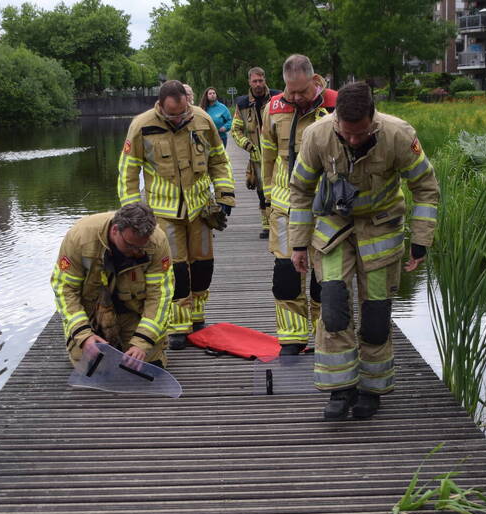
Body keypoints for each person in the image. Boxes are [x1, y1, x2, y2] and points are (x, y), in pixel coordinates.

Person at [288, 81, 440, 420]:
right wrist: (297, 243)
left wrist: (421, 240)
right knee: (333, 308)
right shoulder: (317, 135)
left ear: (374, 118)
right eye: (347, 134)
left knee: (375, 316)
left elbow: (426, 188)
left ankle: (372, 390)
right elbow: (299, 190)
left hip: (380, 228)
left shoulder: (399, 135)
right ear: (337, 120)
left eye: (361, 134)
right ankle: (341, 390)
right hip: (332, 229)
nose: (354, 140)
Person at [117, 80, 235, 350]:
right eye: (173, 114)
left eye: (183, 112)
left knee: (203, 265)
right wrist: (133, 214)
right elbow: (128, 172)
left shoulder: (202, 120)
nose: (179, 118)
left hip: (200, 209)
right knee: (175, 268)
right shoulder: (141, 126)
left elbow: (219, 159)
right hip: (163, 212)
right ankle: (178, 325)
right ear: (161, 106)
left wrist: (225, 194)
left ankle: (198, 317)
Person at [260, 54, 336, 355]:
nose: (294, 97)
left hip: (325, 207)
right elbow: (266, 156)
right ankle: (291, 338)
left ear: (315, 81)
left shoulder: (335, 105)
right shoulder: (274, 107)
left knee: (323, 277)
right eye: (289, 90)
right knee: (286, 275)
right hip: (284, 205)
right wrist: (267, 199)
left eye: (301, 91)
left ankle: (323, 336)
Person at [50, 203, 174, 368]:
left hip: (134, 313)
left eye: (141, 247)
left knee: (149, 366)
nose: (137, 251)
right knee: (91, 368)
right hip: (92, 314)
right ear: (115, 230)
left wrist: (142, 341)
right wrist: (84, 335)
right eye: (130, 245)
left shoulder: (157, 241)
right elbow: (64, 289)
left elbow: (160, 296)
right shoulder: (79, 237)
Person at [231, 67, 281, 240]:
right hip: (257, 157)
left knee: (280, 188)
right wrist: (248, 146)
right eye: (255, 81)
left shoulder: (277, 98)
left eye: (261, 80)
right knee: (261, 191)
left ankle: (278, 222)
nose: (258, 84)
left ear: (265, 79)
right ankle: (266, 225)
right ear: (249, 82)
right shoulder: (242, 104)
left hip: (278, 155)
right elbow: (235, 130)